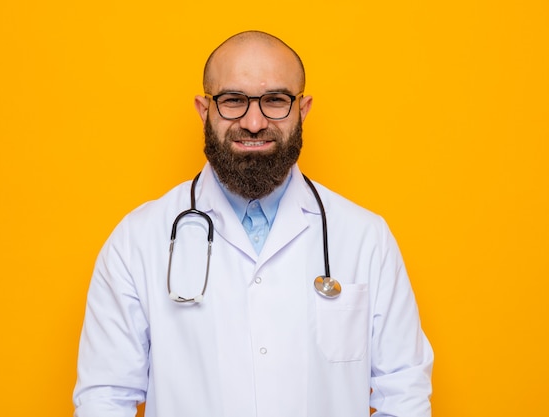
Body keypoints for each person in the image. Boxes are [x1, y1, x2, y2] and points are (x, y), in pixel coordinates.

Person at [73, 30, 433, 417]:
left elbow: (403, 392)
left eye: (276, 100)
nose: (255, 122)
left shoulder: (365, 238)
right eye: (233, 101)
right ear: (204, 109)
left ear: (303, 109)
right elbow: (104, 399)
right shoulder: (138, 240)